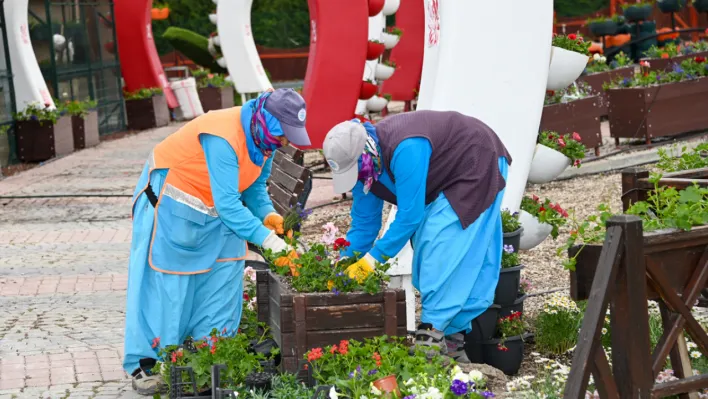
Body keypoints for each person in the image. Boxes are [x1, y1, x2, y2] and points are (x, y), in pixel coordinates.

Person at [123, 89, 310, 395]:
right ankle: (149, 364)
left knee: (225, 276)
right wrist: (270, 243)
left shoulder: (265, 139)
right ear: (269, 121)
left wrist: (267, 216)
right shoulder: (222, 134)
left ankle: (209, 355)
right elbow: (229, 206)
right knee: (170, 287)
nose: (286, 142)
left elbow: (254, 188)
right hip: (174, 202)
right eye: (285, 135)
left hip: (219, 212)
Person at [323, 111, 511, 363]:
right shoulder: (365, 168)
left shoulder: (405, 146)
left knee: (440, 246)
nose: (354, 177)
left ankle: (431, 337)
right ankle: (452, 343)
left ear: (363, 153)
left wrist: (371, 262)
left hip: (475, 157)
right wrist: (346, 262)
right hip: (444, 178)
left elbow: (410, 217)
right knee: (428, 250)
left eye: (351, 169)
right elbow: (364, 225)